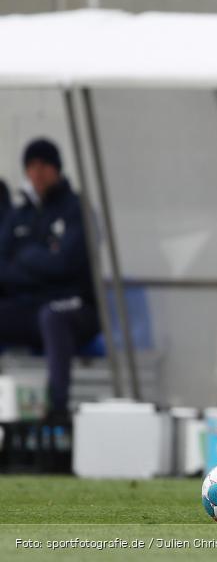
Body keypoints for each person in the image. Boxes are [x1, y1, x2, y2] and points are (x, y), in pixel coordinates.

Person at [0, 138, 99, 422]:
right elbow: (3, 268)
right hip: (31, 305)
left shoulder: (76, 210)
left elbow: (67, 264)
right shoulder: (20, 215)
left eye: (43, 165)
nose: (37, 172)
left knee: (53, 317)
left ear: (56, 168)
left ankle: (57, 409)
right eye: (31, 166)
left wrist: (27, 257)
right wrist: (42, 264)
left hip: (76, 308)